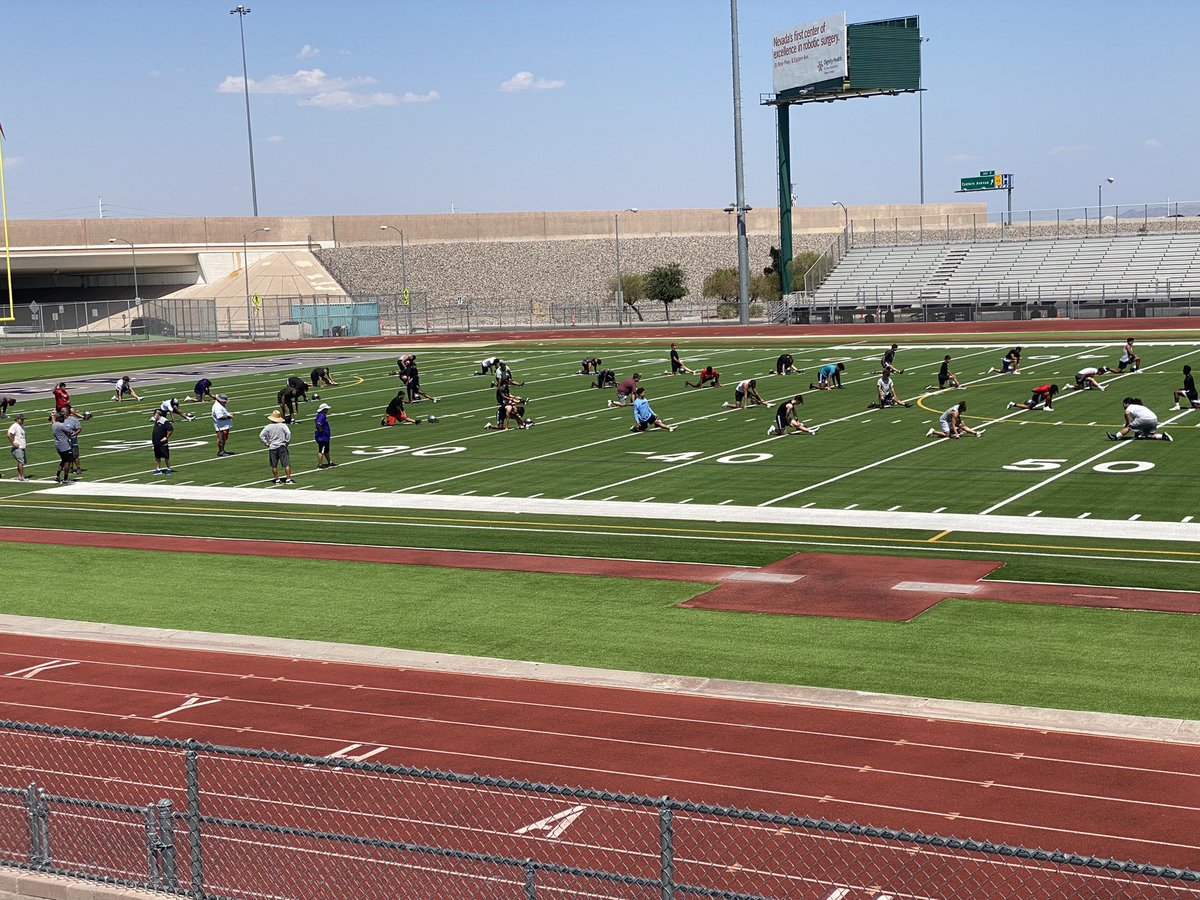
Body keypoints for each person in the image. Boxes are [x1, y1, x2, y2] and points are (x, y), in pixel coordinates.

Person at [259, 411, 295, 484]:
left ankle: (277, 479)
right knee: (286, 464)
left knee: (274, 465)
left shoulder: (268, 427)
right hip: (282, 446)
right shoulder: (283, 425)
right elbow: (288, 433)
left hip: (272, 447)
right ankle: (288, 479)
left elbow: (261, 435)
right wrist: (287, 442)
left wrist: (266, 443)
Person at [51, 410, 74, 484]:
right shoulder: (61, 426)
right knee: (67, 462)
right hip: (65, 446)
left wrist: (52, 415)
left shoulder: (54, 425)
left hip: (58, 445)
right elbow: (70, 431)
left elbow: (53, 421)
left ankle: (57, 476)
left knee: (63, 460)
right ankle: (65, 478)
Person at [151, 408, 174, 475]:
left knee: (166, 456)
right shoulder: (157, 420)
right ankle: (158, 469)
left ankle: (168, 469)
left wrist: (166, 437)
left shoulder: (164, 421)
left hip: (162, 443)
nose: (154, 415)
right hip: (156, 442)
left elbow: (170, 429)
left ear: (158, 414)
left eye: (155, 414)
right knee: (157, 456)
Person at [6, 412, 28, 481]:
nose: (22, 420)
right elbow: (9, 434)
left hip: (22, 446)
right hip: (18, 447)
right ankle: (21, 477)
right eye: (21, 419)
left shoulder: (22, 425)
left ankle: (19, 476)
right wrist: (13, 443)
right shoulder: (14, 426)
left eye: (23, 419)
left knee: (21, 462)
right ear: (17, 419)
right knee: (21, 462)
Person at [63, 408, 84, 477]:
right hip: (65, 441)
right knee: (68, 456)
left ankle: (78, 468)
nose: (62, 413)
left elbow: (79, 428)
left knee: (75, 455)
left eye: (64, 411)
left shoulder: (73, 420)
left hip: (73, 440)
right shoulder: (61, 420)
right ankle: (70, 468)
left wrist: (74, 434)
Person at [314, 403, 336, 468]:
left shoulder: (320, 415)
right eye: (326, 409)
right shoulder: (322, 416)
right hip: (322, 437)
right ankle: (320, 464)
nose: (327, 410)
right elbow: (318, 424)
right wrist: (321, 430)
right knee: (321, 450)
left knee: (326, 450)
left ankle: (330, 462)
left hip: (324, 436)